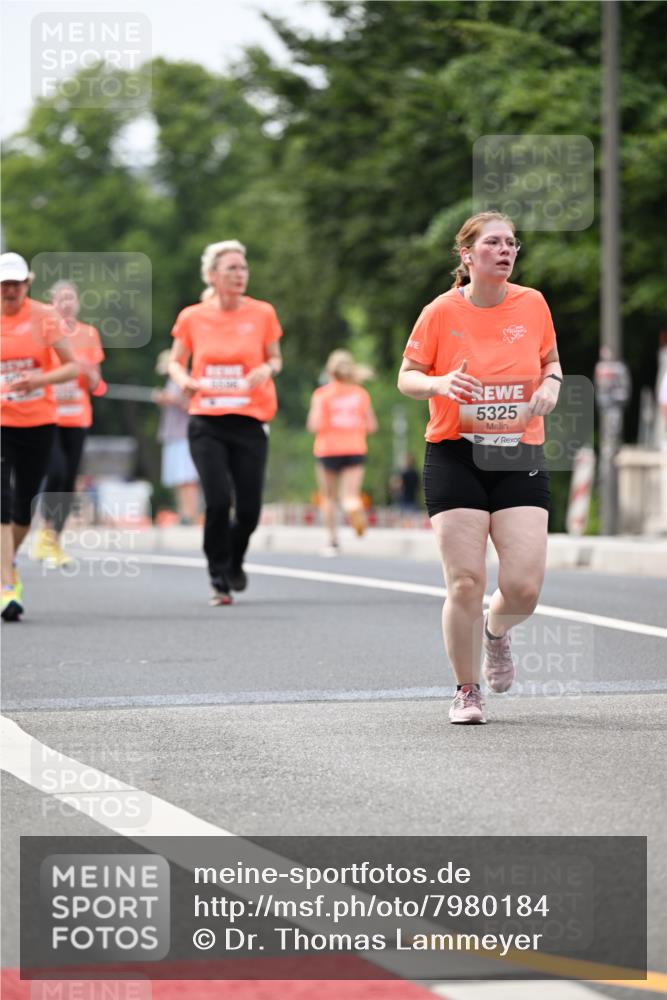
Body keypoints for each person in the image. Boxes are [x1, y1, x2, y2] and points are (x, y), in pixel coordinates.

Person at [397, 212, 562, 724]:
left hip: (517, 452)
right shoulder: (440, 312)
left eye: (511, 243)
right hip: (454, 452)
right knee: (466, 582)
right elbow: (407, 377)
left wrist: (551, 386)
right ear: (467, 255)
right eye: (493, 242)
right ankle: (466, 690)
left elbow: (551, 363)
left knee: (523, 588)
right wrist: (441, 384)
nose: (505, 249)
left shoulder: (532, 303)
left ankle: (496, 632)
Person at [168, 240, 283, 606]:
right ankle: (218, 577)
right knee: (218, 501)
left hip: (250, 419)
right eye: (232, 268)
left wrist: (265, 369)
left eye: (243, 268)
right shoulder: (192, 317)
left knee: (248, 509)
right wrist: (183, 379)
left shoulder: (263, 313)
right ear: (213, 276)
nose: (240, 274)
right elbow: (175, 361)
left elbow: (276, 358)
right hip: (207, 420)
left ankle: (235, 559)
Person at [1, 253, 78, 621]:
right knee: (1, 500)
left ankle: (7, 559)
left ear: (27, 284)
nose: (10, 289)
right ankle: (6, 583)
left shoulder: (44, 317)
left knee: (22, 504)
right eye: (4, 283)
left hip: (37, 421)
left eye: (16, 282)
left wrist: (38, 380)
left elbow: (73, 366)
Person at [33, 280, 105, 566]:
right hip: (49, 415)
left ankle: (54, 540)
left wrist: (87, 373)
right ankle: (44, 534)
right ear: (51, 303)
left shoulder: (89, 334)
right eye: (60, 299)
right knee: (57, 470)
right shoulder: (43, 334)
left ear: (77, 302)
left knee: (70, 479)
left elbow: (98, 385)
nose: (65, 304)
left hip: (78, 417)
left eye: (70, 298)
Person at [306, 349, 378, 555]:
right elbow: (372, 425)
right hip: (355, 447)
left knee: (328, 497)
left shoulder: (322, 394)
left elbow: (314, 424)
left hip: (328, 449)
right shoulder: (360, 394)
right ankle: (353, 506)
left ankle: (332, 540)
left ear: (330, 371)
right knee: (350, 494)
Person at [153, 350, 200, 525]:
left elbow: (193, 406)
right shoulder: (170, 382)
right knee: (178, 479)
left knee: (188, 478)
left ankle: (191, 514)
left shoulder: (187, 380)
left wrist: (174, 400)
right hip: (172, 435)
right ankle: (183, 514)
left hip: (185, 435)